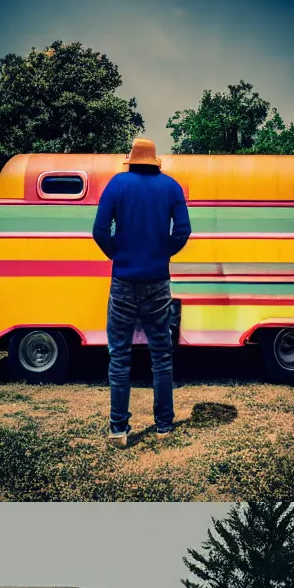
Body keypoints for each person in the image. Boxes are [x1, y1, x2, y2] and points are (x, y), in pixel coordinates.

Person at [91, 138, 191, 446]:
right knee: (161, 355)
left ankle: (118, 429)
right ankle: (163, 426)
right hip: (158, 281)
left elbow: (99, 230)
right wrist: (162, 254)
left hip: (122, 281)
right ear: (155, 161)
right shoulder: (172, 187)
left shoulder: (117, 185)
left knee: (119, 356)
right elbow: (183, 231)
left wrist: (118, 255)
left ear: (132, 160)